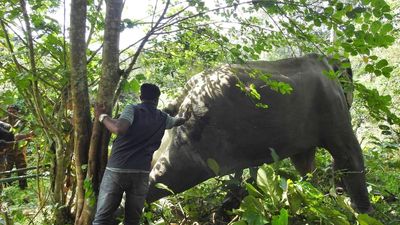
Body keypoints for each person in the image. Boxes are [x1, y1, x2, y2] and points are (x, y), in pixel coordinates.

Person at [93, 83, 190, 225]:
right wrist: (185, 117)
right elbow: (176, 122)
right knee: (133, 220)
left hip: (117, 170)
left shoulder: (132, 109)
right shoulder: (163, 118)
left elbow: (119, 128)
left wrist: (101, 116)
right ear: (157, 100)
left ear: (140, 97)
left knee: (102, 218)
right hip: (141, 174)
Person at [3, 104, 32, 189]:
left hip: (20, 150)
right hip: (7, 150)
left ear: (17, 112)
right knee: (7, 171)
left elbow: (30, 134)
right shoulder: (3, 122)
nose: (11, 113)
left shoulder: (22, 122)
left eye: (13, 111)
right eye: (9, 111)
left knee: (22, 170)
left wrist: (24, 136)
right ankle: (7, 189)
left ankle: (23, 189)